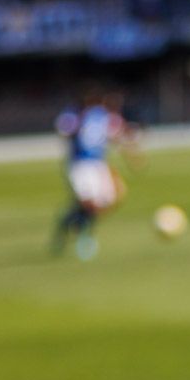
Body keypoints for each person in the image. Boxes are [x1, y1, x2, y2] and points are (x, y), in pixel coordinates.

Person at [51, 93, 126, 260]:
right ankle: (85, 238)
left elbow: (114, 134)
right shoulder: (75, 113)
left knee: (104, 203)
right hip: (80, 165)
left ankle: (67, 221)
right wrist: (75, 128)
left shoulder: (102, 115)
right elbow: (63, 129)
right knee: (89, 204)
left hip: (98, 164)